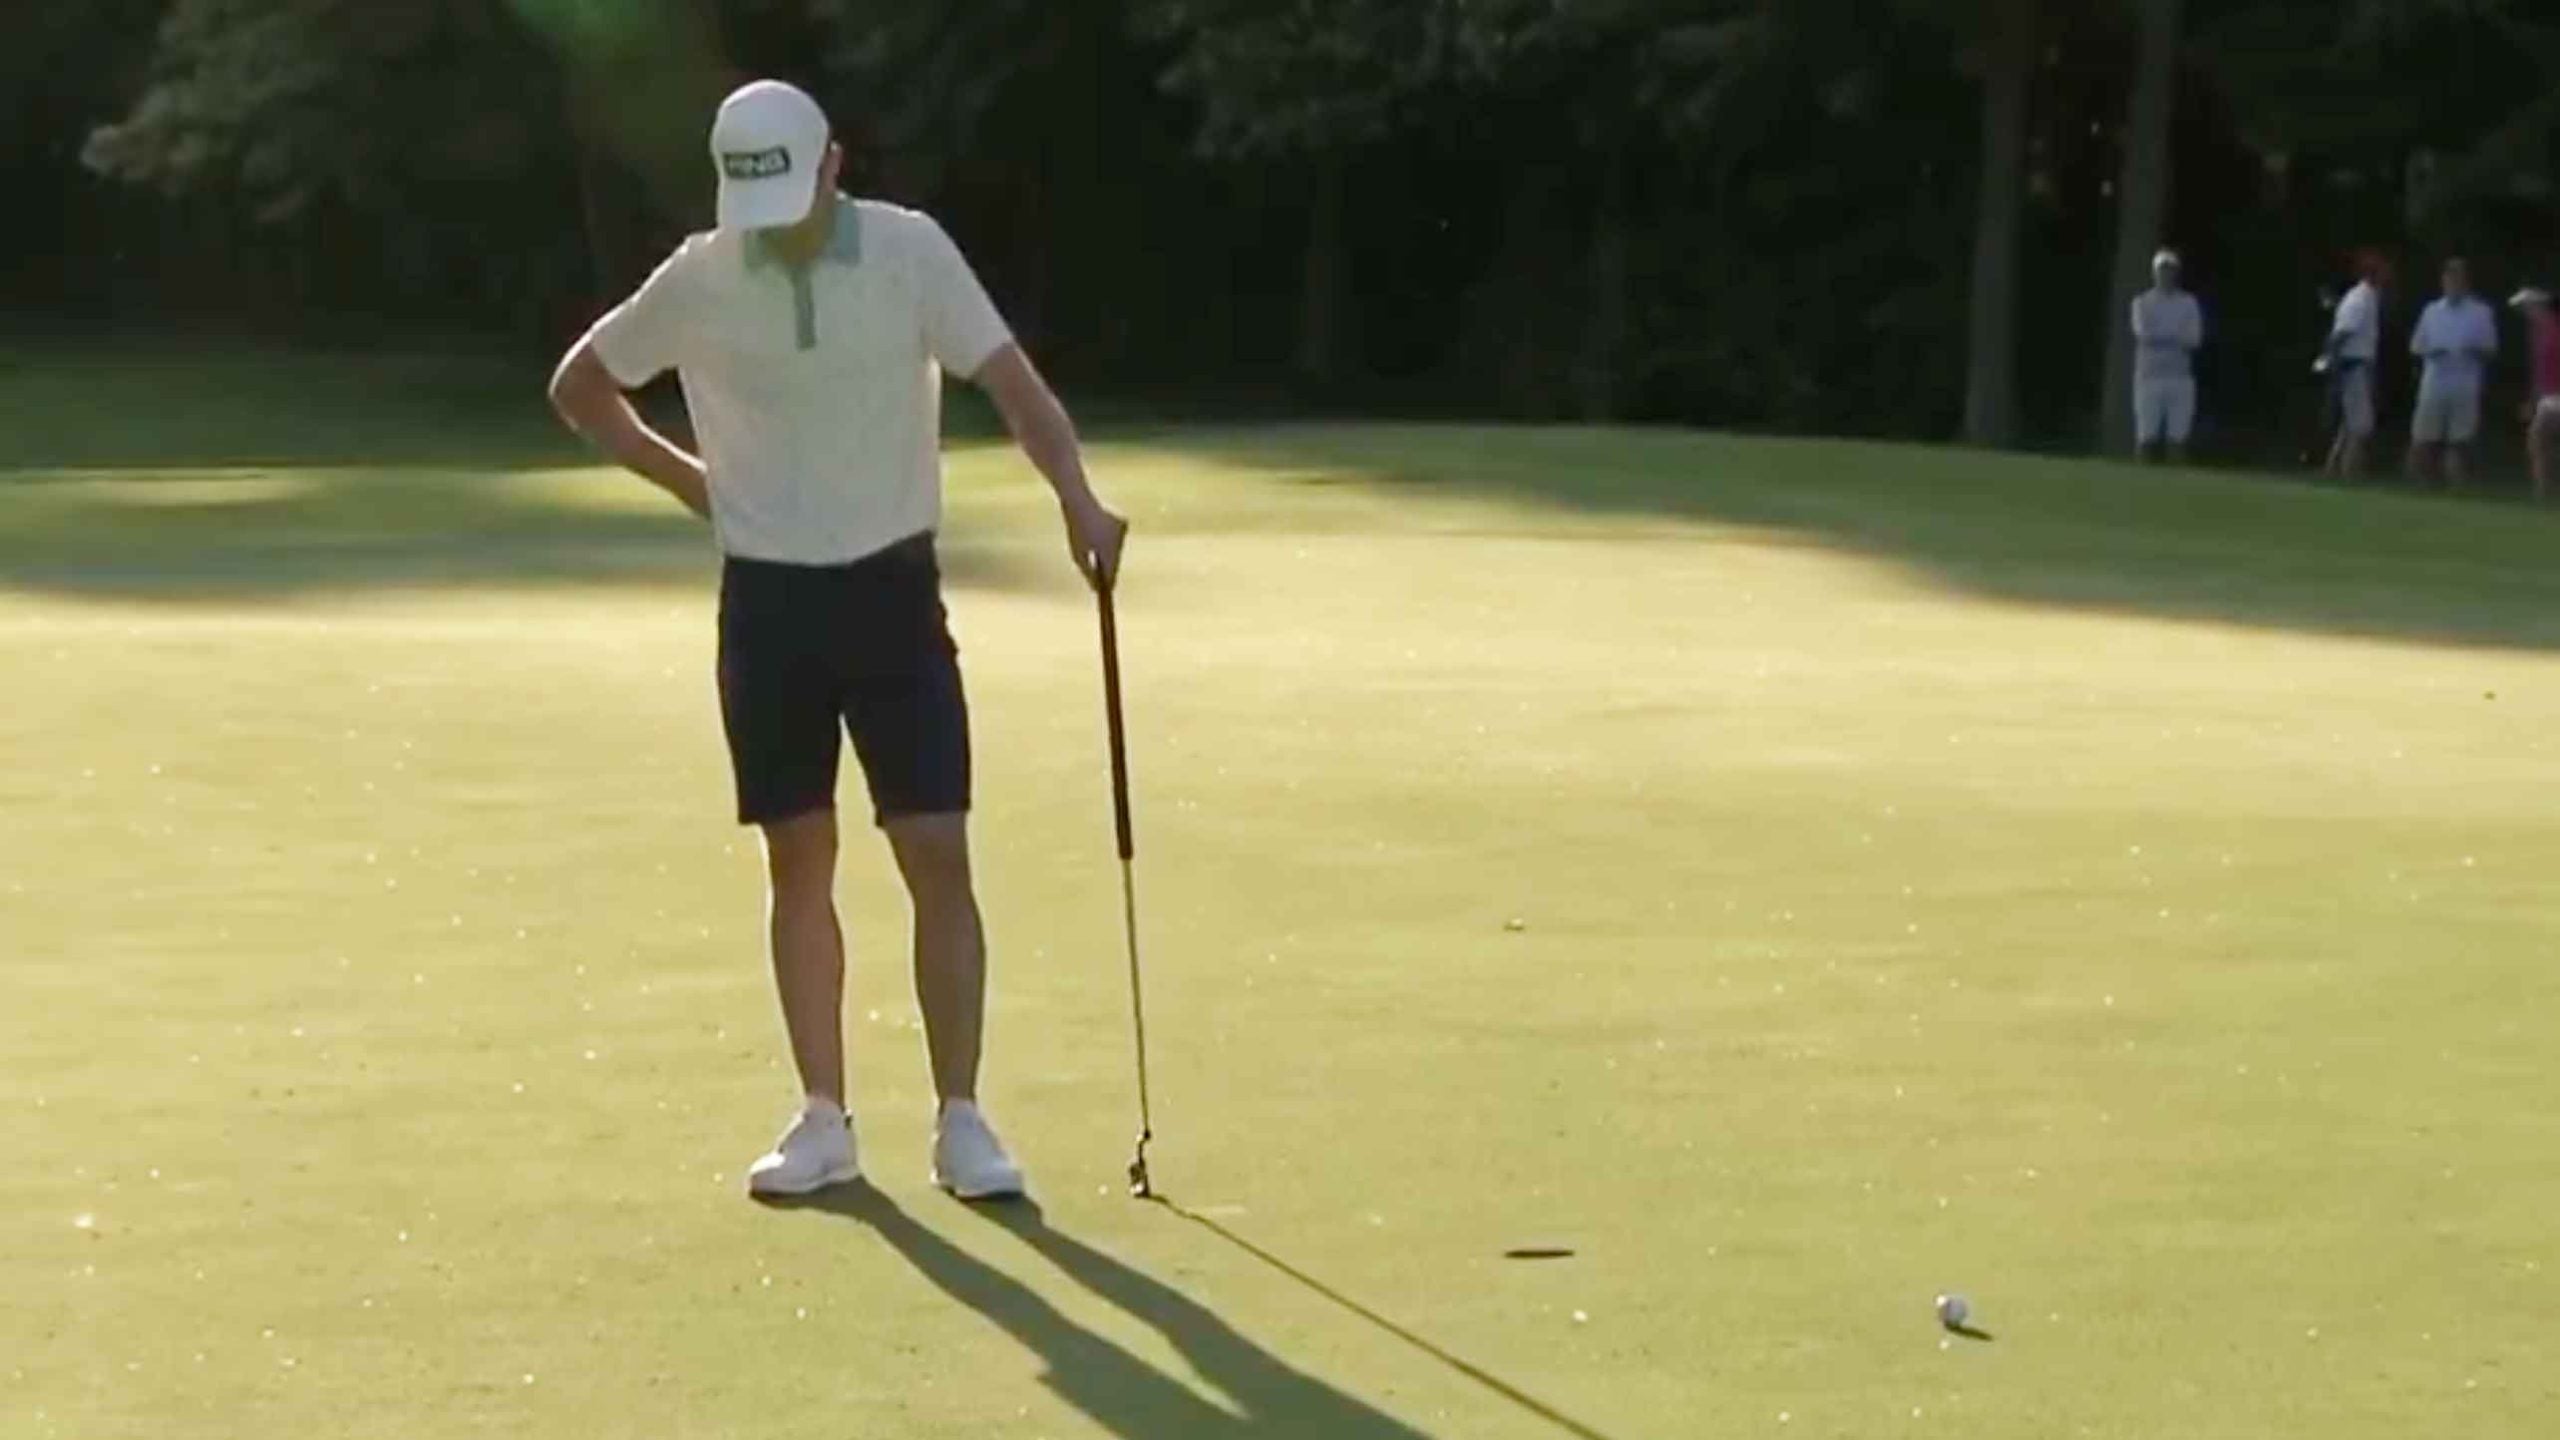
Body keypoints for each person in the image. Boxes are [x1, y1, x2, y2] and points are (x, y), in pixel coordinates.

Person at [545, 80, 1128, 1200]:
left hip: (892, 596)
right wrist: (692, 485)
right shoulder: (703, 274)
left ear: (832, 166)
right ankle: (823, 1119)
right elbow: (582, 384)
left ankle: (962, 1121)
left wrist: (1078, 502)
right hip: (767, 605)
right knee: (797, 857)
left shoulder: (909, 255)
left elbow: (1013, 384)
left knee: (936, 852)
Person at [2407, 256, 2500, 489]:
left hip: (2465, 382)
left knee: (2460, 439)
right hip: (2434, 381)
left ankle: (2457, 483)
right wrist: (2432, 350)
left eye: (2458, 278)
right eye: (2449, 278)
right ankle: (2422, 482)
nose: (2453, 283)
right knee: (2424, 435)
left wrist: (2472, 350)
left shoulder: (2481, 312)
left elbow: (2490, 348)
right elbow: (2416, 345)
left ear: (2466, 282)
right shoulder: (2431, 310)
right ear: (2443, 281)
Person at [2129, 248, 2205, 462]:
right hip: (2149, 376)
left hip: (2179, 377)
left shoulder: (2188, 302)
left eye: (2170, 270)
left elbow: (2194, 339)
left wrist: (2162, 336)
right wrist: (2175, 337)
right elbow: (2144, 334)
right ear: (2154, 272)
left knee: (2178, 438)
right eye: (2162, 270)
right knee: (2146, 436)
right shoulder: (2142, 302)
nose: (2166, 274)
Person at [2320, 250, 2389, 478]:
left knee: (2350, 425)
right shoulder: (2360, 300)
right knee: (2360, 426)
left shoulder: (2368, 298)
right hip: (2354, 367)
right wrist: (2332, 365)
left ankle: (2333, 469)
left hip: (2356, 367)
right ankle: (2349, 471)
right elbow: (2341, 334)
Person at [2513, 287, 2560, 502]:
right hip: (2549, 397)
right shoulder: (2538, 332)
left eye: (2527, 307)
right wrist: (2533, 400)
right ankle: (2545, 490)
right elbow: (2539, 372)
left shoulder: (2553, 328)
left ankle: (2544, 490)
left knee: (2539, 437)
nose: (2525, 312)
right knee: (2538, 439)